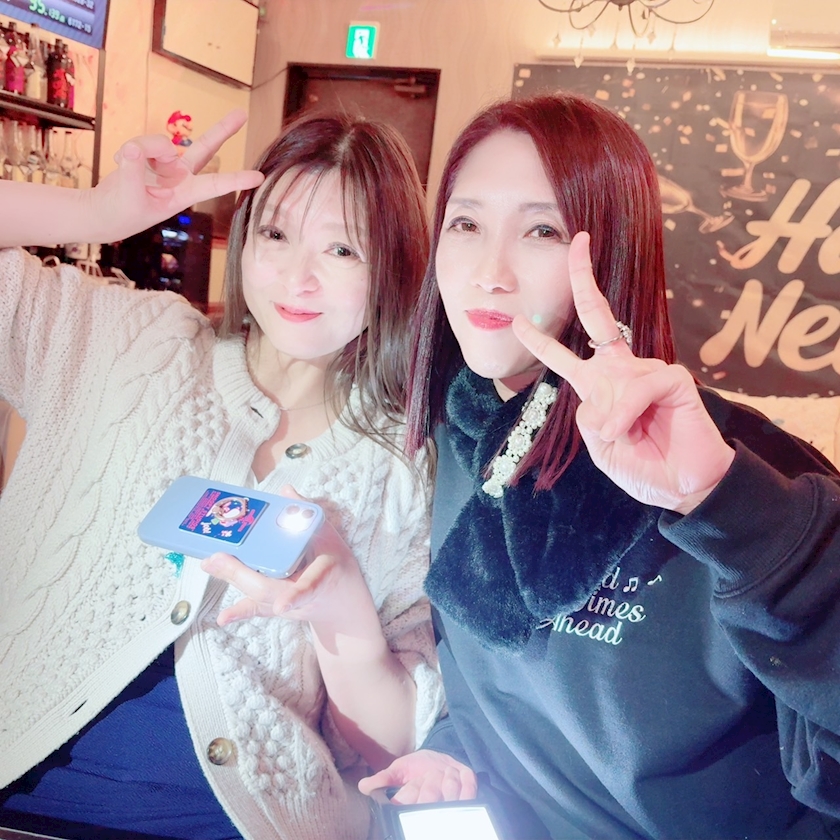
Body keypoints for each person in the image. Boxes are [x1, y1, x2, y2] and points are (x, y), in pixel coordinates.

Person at [359, 92, 840, 840]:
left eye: (542, 230)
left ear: (614, 249)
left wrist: (724, 503)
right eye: (466, 223)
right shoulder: (467, 430)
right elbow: (496, 699)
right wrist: (447, 754)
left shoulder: (731, 465)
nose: (489, 271)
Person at [0, 109, 443, 840]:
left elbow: (391, 748)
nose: (297, 277)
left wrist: (342, 613)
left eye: (341, 248)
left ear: (394, 266)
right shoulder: (126, 342)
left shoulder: (405, 463)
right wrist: (93, 214)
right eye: (275, 235)